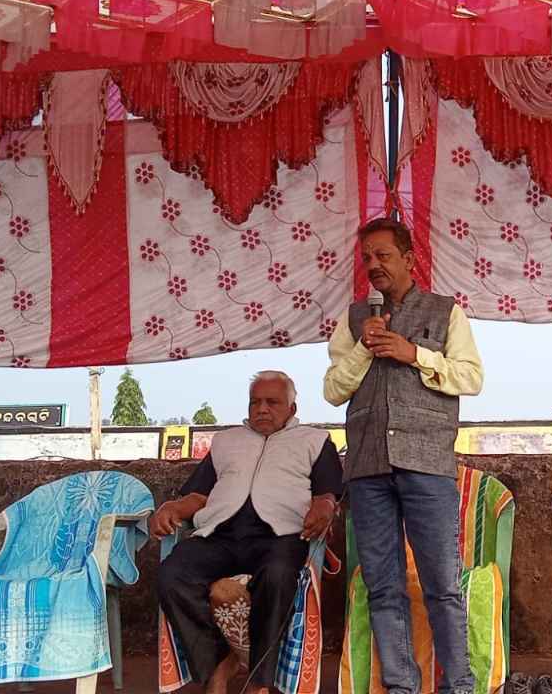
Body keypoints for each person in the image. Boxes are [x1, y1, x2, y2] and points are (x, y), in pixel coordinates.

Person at [323, 217, 483, 694]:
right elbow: (333, 390)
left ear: (409, 258)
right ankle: (401, 686)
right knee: (383, 586)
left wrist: (415, 354)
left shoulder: (445, 312)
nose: (374, 265)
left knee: (442, 586)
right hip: (367, 468)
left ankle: (459, 686)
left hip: (427, 465)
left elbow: (471, 377)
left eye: (383, 255)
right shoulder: (355, 318)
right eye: (367, 258)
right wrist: (365, 348)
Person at [154, 371, 342, 694]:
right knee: (171, 575)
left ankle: (259, 680)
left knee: (279, 576)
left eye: (272, 402)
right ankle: (217, 664)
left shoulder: (315, 440)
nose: (262, 409)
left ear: (292, 409)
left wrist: (324, 507)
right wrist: (172, 507)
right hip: (220, 535)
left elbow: (328, 494)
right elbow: (198, 496)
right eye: (255, 402)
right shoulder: (226, 441)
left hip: (281, 536)